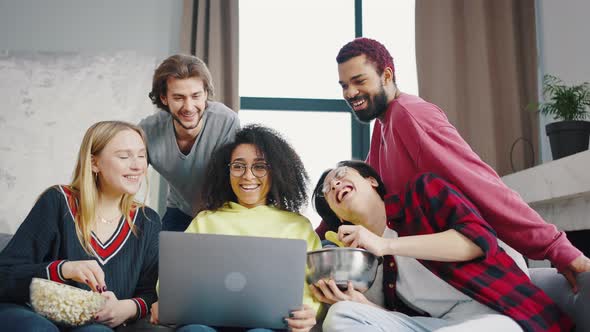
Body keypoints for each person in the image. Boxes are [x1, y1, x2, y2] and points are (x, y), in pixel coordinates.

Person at [314, 37, 590, 291]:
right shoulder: (383, 128)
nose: (350, 92)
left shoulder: (410, 116)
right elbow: (360, 198)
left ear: (386, 75)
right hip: (436, 280)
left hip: (480, 270)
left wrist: (556, 247)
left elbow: (483, 186)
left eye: (359, 81)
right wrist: (304, 239)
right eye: (344, 85)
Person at [310, 160, 573, 332]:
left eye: (341, 175)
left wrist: (385, 244)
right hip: (439, 326)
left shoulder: (422, 193)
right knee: (341, 315)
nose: (334, 184)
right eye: (327, 190)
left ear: (372, 181)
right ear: (340, 216)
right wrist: (362, 304)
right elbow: (402, 321)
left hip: (499, 316)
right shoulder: (367, 264)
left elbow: (478, 241)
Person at [150, 124, 321, 332]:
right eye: (238, 166)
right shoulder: (205, 220)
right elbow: (172, 281)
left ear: (276, 172)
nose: (248, 176)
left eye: (259, 166)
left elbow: (315, 287)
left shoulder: (298, 226)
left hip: (271, 326)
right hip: (205, 323)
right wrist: (168, 302)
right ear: (227, 171)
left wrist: (309, 312)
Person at [0, 121, 160, 331]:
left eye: (141, 155)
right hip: (33, 314)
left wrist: (125, 308)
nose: (138, 166)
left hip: (95, 325)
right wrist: (64, 269)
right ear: (94, 163)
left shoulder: (148, 221)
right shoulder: (57, 202)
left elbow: (149, 294)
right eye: (124, 156)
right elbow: (5, 275)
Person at [140, 54, 240, 231]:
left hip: (222, 210)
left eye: (196, 96)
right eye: (179, 97)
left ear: (206, 94)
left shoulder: (226, 121)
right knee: (165, 257)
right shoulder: (148, 131)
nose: (188, 107)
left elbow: (231, 177)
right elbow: (126, 173)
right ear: (164, 98)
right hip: (180, 210)